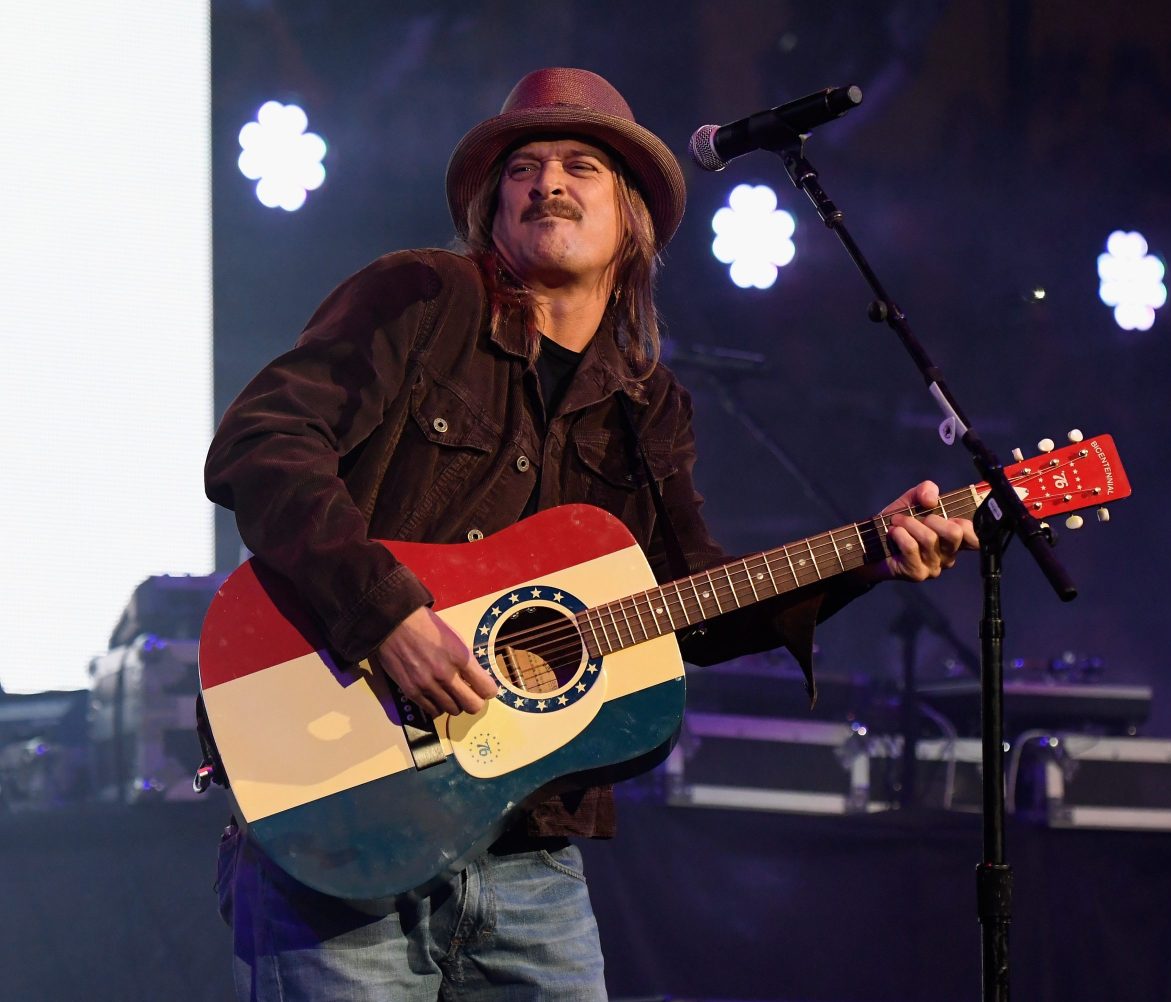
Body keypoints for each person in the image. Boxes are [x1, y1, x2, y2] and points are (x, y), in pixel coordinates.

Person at [205, 66, 976, 1002]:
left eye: (581, 165)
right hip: (343, 822)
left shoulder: (649, 405)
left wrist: (869, 556)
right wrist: (386, 614)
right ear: (494, 206)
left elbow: (695, 604)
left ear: (631, 216)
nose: (549, 184)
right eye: (523, 167)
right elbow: (262, 443)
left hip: (532, 857)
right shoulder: (420, 299)